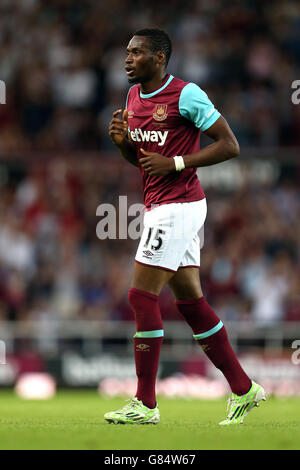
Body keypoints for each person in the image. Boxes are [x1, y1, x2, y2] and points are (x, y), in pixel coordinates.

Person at [104, 28, 266, 425]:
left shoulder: (186, 94)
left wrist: (177, 163)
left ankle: (145, 403)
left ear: (159, 58)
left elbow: (230, 145)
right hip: (163, 205)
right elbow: (143, 162)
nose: (127, 59)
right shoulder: (132, 97)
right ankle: (245, 389)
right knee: (190, 304)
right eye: (127, 52)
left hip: (179, 207)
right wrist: (124, 143)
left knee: (142, 297)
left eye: (137, 52)